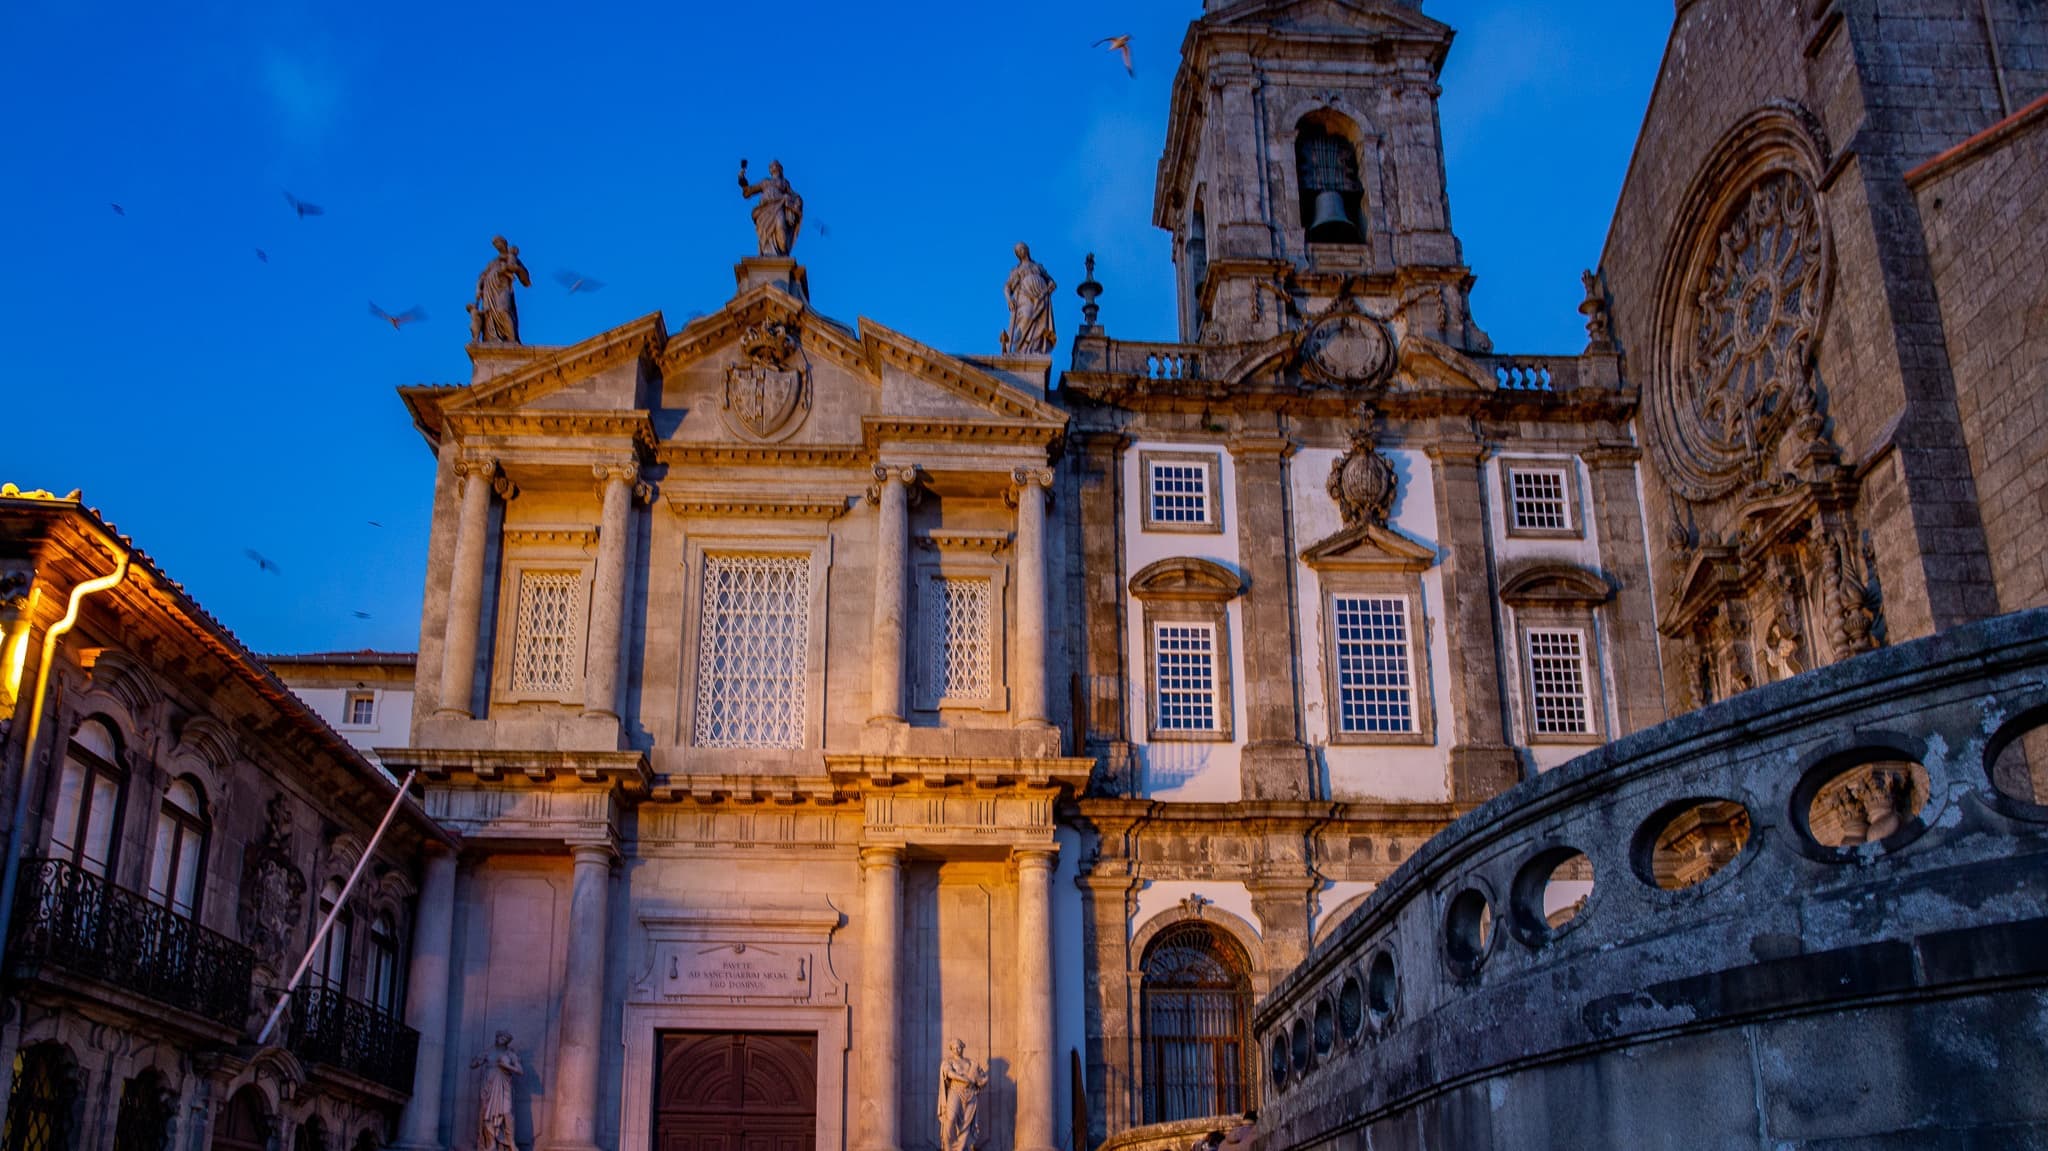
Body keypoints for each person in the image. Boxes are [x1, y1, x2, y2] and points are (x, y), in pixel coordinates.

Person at [739, 160, 804, 257]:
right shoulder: (765, 182)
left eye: (775, 165)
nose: (773, 167)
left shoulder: (784, 183)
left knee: (780, 226)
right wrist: (742, 179)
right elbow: (748, 191)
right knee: (765, 231)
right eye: (771, 166)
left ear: (780, 169)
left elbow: (795, 196)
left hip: (779, 205)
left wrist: (794, 202)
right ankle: (768, 252)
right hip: (765, 209)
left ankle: (782, 253)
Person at [473, 237, 531, 344]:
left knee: (503, 310)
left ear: (504, 243)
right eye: (495, 244)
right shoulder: (493, 262)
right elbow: (482, 277)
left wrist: (516, 268)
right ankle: (493, 338)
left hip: (503, 288)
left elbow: (526, 281)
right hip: (489, 291)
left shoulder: (512, 258)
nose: (497, 245)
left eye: (498, 242)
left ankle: (512, 339)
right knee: (489, 315)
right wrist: (478, 289)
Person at [473, 1030, 523, 1151]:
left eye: (506, 1038)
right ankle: (491, 1143)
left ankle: (510, 1142)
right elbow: (473, 1064)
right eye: (501, 1037)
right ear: (497, 1037)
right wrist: (477, 1060)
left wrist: (506, 1066)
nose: (503, 1039)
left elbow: (520, 1071)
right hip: (489, 1085)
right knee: (487, 1114)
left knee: (507, 1114)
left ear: (507, 1041)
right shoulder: (488, 1051)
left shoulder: (510, 1054)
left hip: (504, 1085)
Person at [1004, 242, 1057, 354]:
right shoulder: (1016, 270)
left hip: (1041, 297)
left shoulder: (1038, 266)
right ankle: (1019, 349)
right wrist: (1009, 300)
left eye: (1021, 249)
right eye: (1017, 251)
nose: (1020, 252)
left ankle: (1034, 349)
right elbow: (1007, 287)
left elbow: (1051, 281)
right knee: (1026, 317)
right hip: (1024, 295)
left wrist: (1050, 286)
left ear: (1027, 249)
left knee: (1039, 324)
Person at [936, 1038, 988, 1151]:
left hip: (970, 1095)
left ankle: (962, 1148)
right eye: (954, 1047)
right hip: (955, 1091)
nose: (957, 1049)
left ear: (962, 1047)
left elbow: (980, 1079)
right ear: (951, 1049)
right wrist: (964, 1079)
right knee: (950, 1119)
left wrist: (983, 1080)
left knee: (966, 1124)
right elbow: (949, 1073)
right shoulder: (948, 1062)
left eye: (959, 1046)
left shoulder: (971, 1063)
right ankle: (948, 1147)